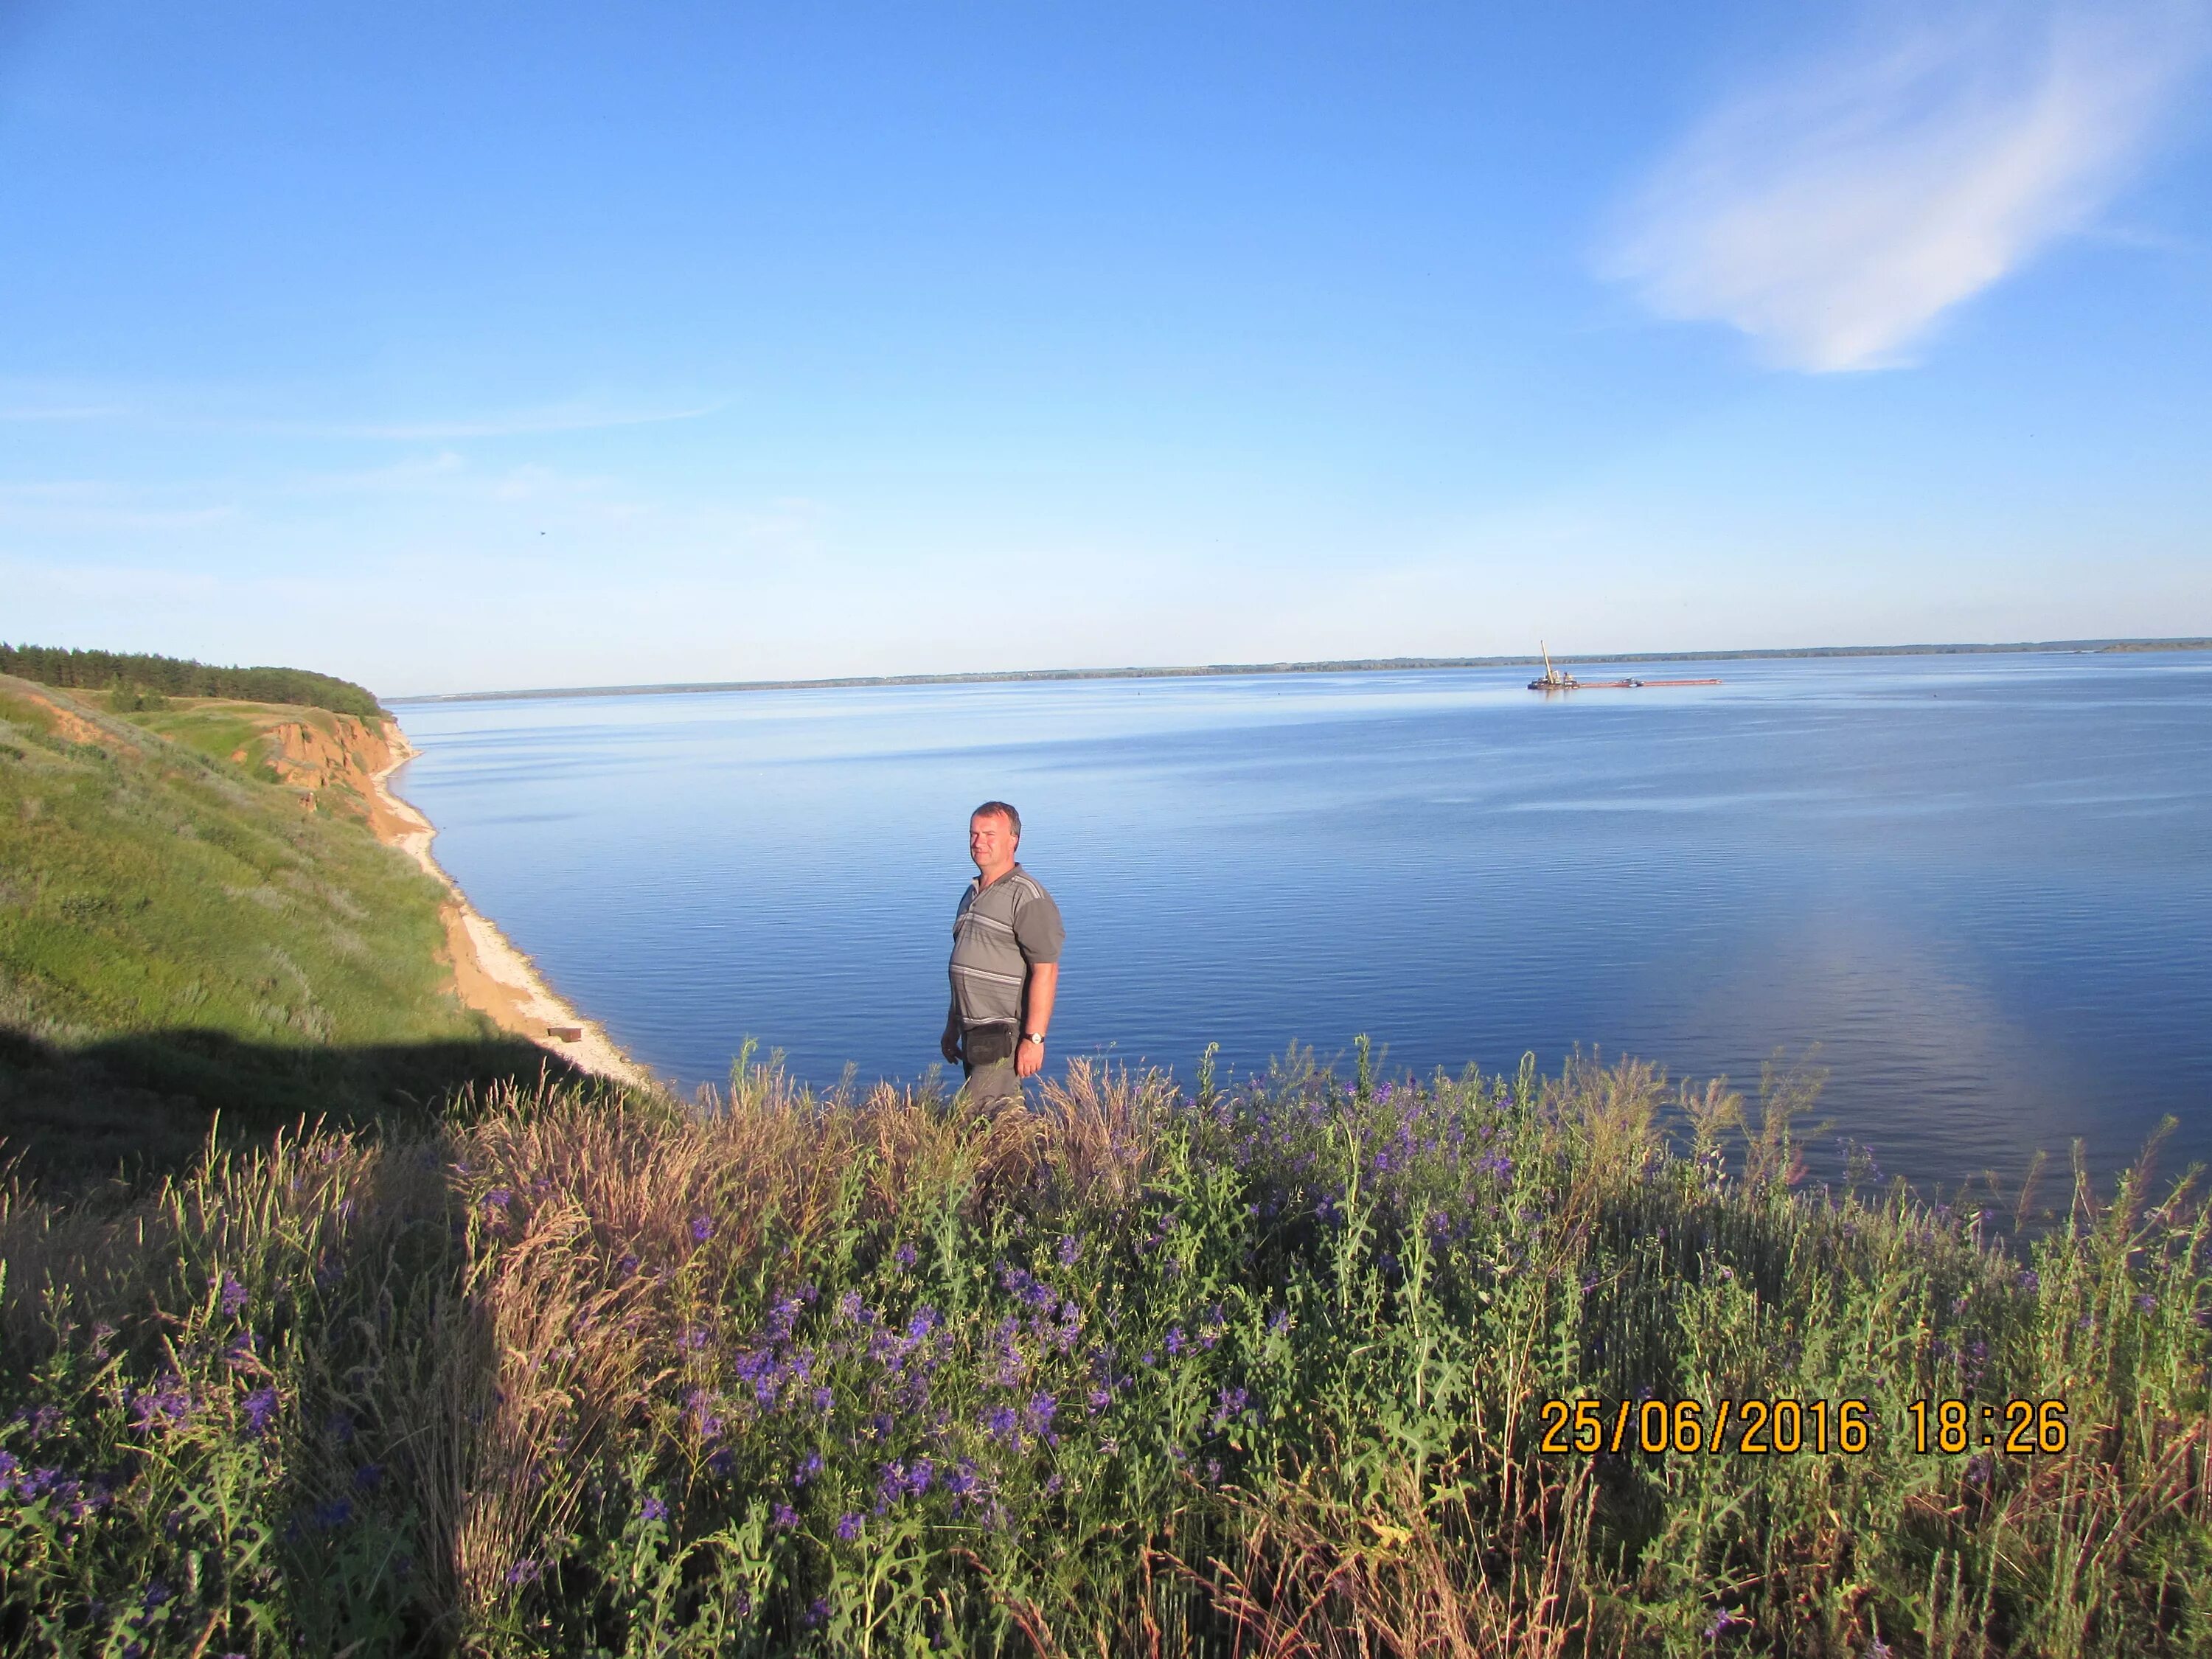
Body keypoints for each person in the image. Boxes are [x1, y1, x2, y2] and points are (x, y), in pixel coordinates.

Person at [941, 800, 1063, 1107]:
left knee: (977, 1115)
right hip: (971, 1031)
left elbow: (1046, 970)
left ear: (1014, 840)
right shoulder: (972, 893)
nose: (978, 842)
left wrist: (1034, 1039)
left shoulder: (1028, 897)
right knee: (992, 1119)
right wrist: (952, 1027)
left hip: (1001, 1032)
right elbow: (965, 965)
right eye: (974, 834)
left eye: (989, 834)